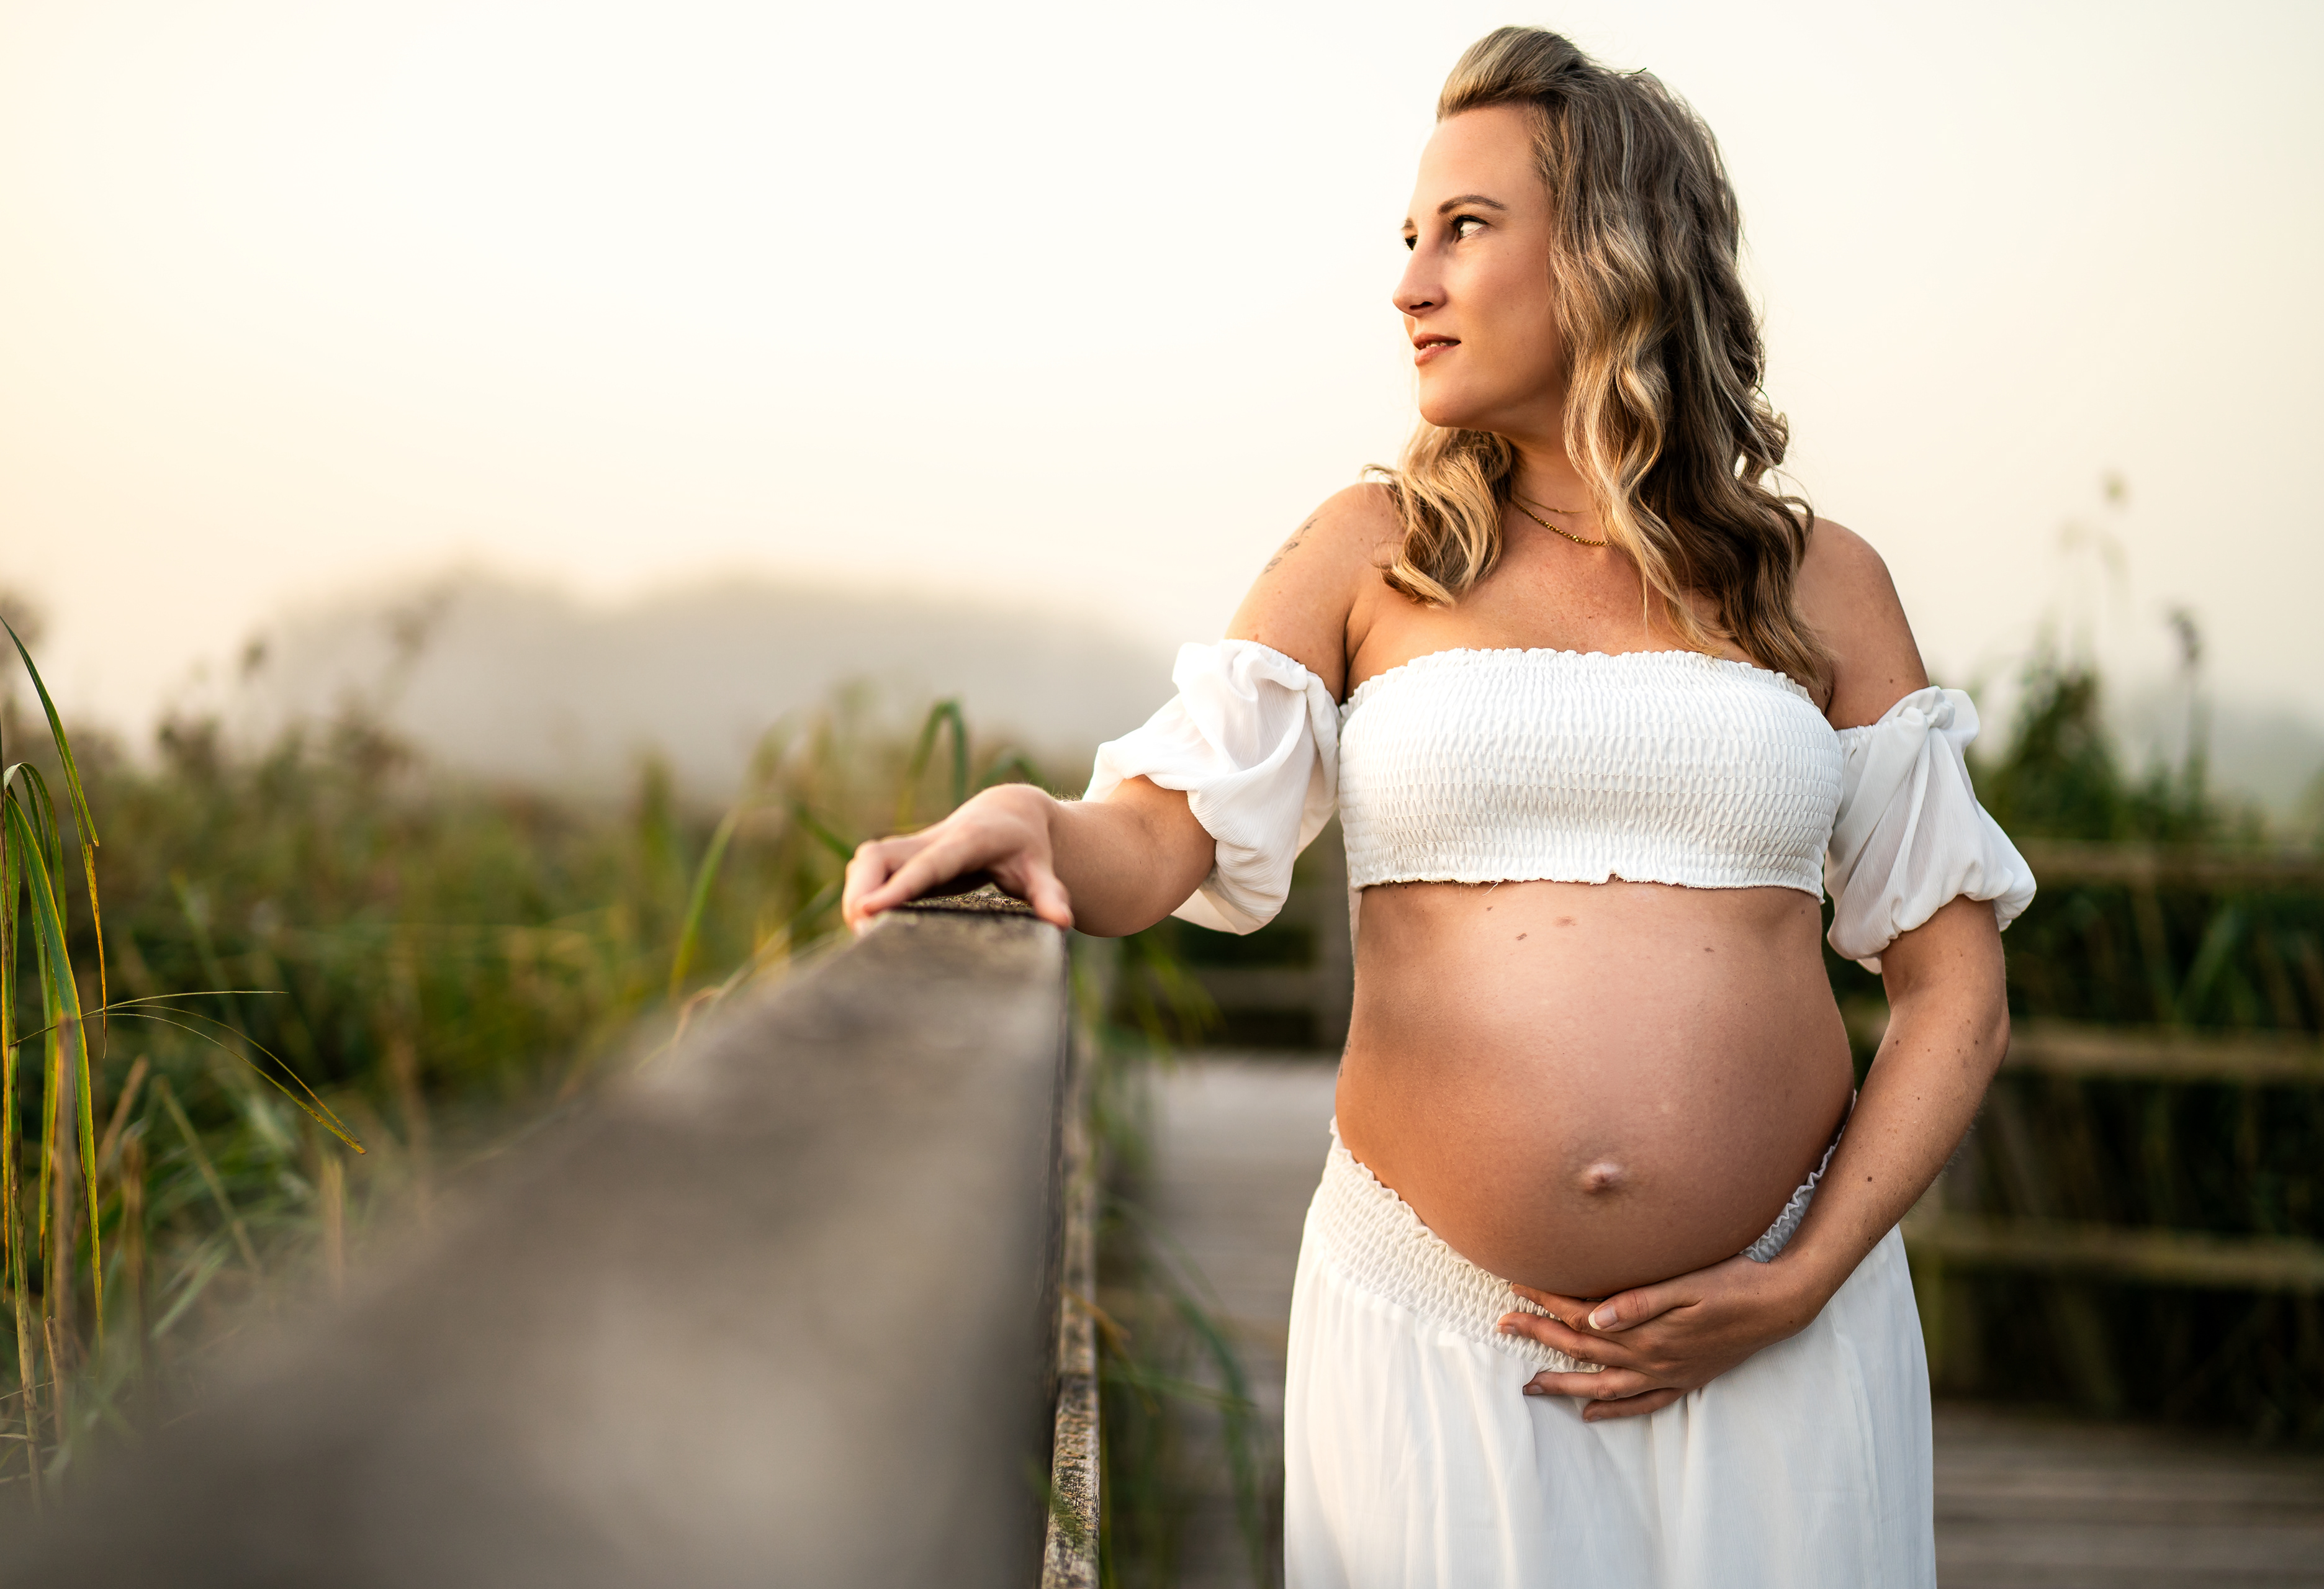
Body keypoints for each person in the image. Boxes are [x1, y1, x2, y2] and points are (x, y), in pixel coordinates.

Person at [844, 24, 2033, 1588]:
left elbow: (1956, 990)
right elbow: (1155, 834)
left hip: (1777, 1349)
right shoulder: (1370, 550)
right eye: (1409, 239)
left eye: (1464, 231)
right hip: (1433, 1339)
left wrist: (1804, 1276)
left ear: (1612, 251)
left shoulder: (1822, 585)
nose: (1410, 284)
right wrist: (1031, 821)